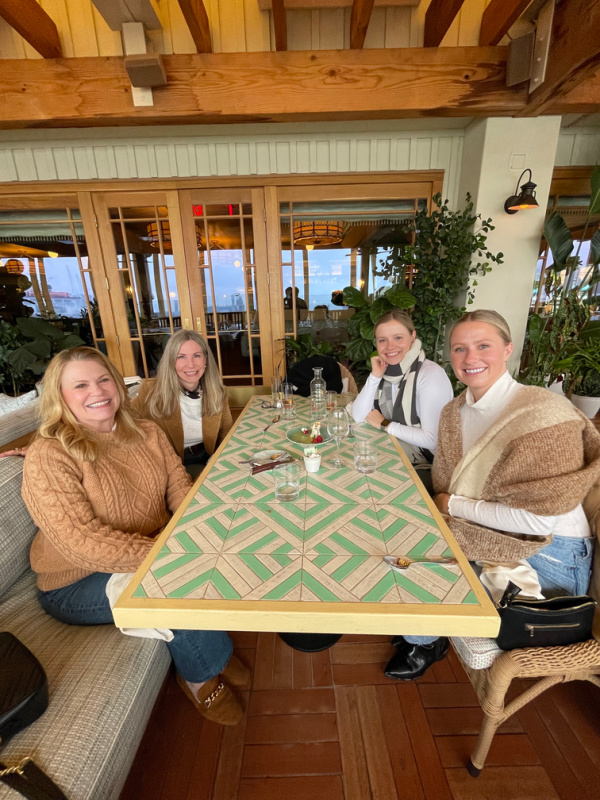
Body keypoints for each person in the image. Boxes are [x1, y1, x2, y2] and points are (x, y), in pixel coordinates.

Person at [21, 346, 248, 726]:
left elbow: (179, 485)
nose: (97, 391)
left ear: (117, 383)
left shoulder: (144, 430)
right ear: (59, 396)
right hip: (75, 582)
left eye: (103, 379)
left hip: (147, 549)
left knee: (205, 561)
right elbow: (83, 542)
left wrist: (202, 528)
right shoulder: (50, 454)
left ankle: (215, 655)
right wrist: (171, 554)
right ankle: (199, 677)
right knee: (176, 582)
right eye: (80, 385)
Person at [385, 309, 600, 681]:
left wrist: (452, 505)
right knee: (404, 531)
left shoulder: (544, 414)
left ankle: (422, 639)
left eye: (483, 346)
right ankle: (423, 631)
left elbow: (538, 521)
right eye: (459, 349)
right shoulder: (455, 411)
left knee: (426, 555)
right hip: (491, 526)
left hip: (549, 550)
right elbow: (450, 479)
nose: (470, 358)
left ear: (507, 349)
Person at [351, 309, 453, 492]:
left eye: (398, 338)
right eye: (382, 340)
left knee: (364, 482)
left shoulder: (429, 375)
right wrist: (374, 376)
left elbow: (432, 440)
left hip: (427, 466)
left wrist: (384, 424)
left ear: (412, 337)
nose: (390, 347)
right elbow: (358, 415)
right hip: (394, 451)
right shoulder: (386, 371)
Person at [132, 330, 232, 478]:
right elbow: (126, 428)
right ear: (171, 361)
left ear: (206, 359)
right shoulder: (149, 392)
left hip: (207, 454)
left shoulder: (217, 391)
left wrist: (219, 460)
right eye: (181, 357)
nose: (190, 365)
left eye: (197, 356)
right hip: (168, 462)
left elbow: (226, 434)